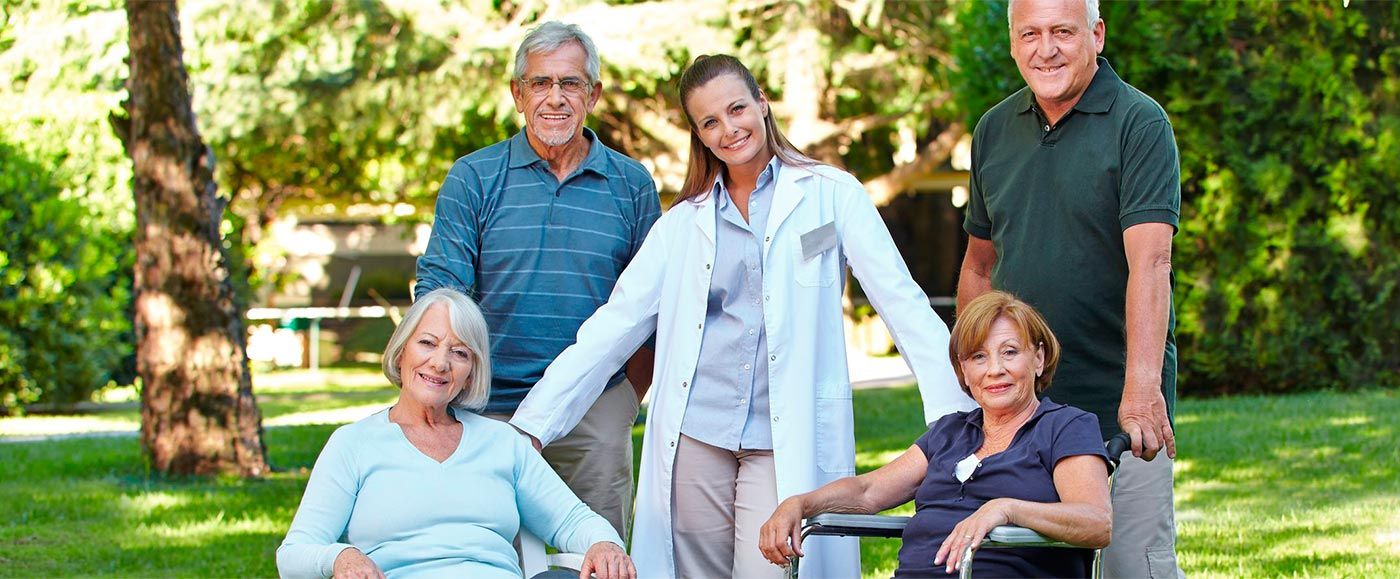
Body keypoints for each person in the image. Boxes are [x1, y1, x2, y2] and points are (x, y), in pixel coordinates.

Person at [511, 54, 974, 579]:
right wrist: (529, 427)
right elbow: (611, 329)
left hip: (783, 438)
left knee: (769, 569)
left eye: (737, 109)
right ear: (698, 135)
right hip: (695, 436)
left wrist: (960, 412)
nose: (729, 129)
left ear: (762, 103)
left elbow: (901, 302)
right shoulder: (682, 224)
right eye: (710, 122)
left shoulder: (831, 195)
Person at [955, 0, 1184, 576]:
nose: (1045, 48)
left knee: (1137, 565)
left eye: (1063, 31)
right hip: (1018, 410)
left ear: (1096, 34)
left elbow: (1151, 263)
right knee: (1022, 569)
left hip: (1118, 405)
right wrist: (971, 373)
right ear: (1012, 42)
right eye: (1029, 33)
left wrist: (1140, 390)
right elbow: (979, 268)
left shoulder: (1140, 122)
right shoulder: (992, 130)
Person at [414, 21, 660, 540]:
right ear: (518, 94)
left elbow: (652, 308)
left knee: (598, 555)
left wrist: (622, 405)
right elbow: (440, 293)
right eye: (540, 83)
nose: (555, 98)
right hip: (486, 406)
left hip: (593, 411)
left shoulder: (632, 185)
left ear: (592, 94)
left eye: (570, 83)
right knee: (484, 555)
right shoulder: (474, 177)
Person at [276, 288, 634, 579]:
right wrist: (341, 557)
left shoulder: (502, 442)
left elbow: (573, 520)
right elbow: (293, 554)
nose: (440, 363)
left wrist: (603, 543)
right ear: (401, 352)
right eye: (427, 343)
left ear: (471, 372)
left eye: (459, 352)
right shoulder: (353, 444)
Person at [759, 291, 1112, 578]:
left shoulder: (1065, 427)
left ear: (1038, 358)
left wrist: (1006, 509)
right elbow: (868, 492)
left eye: (1010, 352)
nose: (995, 370)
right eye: (978, 356)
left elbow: (1096, 522)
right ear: (963, 370)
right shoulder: (951, 432)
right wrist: (800, 504)